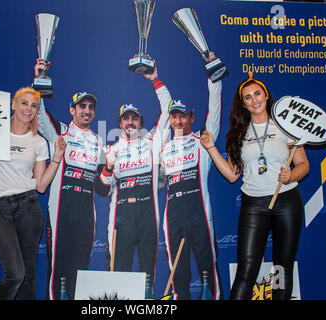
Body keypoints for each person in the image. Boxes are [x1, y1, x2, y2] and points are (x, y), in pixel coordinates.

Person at [200, 72, 309, 300]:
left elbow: (303, 166)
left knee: (281, 268)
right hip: (254, 205)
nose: (254, 99)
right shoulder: (238, 135)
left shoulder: (286, 127)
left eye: (257, 93)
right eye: (247, 97)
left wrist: (291, 176)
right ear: (243, 104)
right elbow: (232, 175)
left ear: (266, 95)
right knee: (246, 270)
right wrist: (210, 148)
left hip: (287, 201)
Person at [0, 87, 66, 300]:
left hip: (28, 207)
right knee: (15, 274)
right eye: (24, 103)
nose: (28, 109)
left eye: (34, 106)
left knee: (29, 275)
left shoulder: (39, 142)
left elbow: (41, 186)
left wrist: (57, 156)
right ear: (13, 105)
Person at [94, 59, 171, 291]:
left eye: (134, 118)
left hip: (148, 216)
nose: (130, 122)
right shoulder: (109, 151)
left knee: (148, 274)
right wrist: (107, 168)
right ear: (119, 123)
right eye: (126, 118)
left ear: (141, 122)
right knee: (119, 275)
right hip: (120, 219)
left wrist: (155, 79)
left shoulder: (152, 141)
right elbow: (101, 189)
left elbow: (168, 109)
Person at [34, 59, 106, 300]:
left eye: (90, 107)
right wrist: (40, 79)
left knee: (80, 272)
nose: (87, 110)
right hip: (60, 212)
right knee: (57, 269)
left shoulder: (98, 141)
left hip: (86, 215)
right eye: (81, 106)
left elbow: (107, 178)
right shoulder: (60, 132)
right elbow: (40, 113)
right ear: (72, 110)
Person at [159, 52, 223, 300]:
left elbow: (215, 109)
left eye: (182, 115)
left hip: (200, 214)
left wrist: (213, 76)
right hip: (172, 217)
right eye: (174, 115)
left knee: (209, 270)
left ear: (191, 117)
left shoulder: (202, 141)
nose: (177, 120)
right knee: (179, 276)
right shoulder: (163, 148)